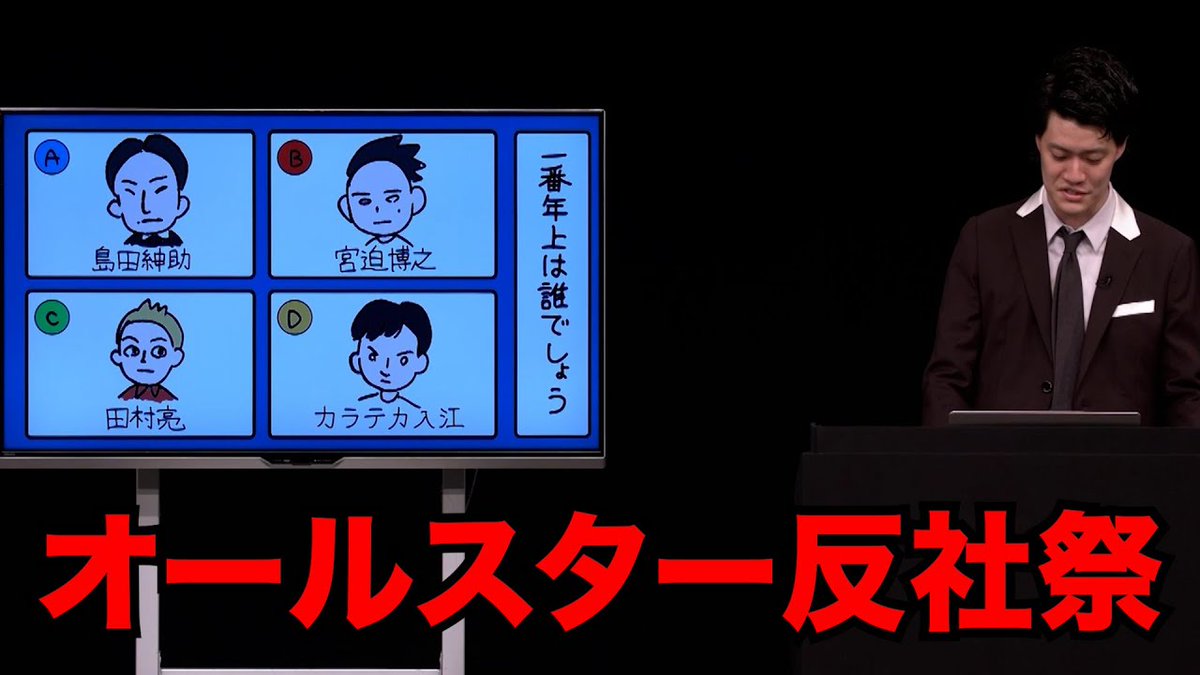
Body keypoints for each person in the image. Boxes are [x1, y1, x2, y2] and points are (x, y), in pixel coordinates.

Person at [922, 46, 1200, 426]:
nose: (1074, 175)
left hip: (1120, 465)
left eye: (1092, 158)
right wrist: (958, 462)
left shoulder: (1169, 255)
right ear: (1038, 141)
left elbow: (1187, 397)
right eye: (1059, 154)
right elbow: (946, 381)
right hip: (999, 463)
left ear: (1120, 147)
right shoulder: (983, 241)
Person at [337, 135, 427, 247]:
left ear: (416, 200)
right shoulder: (361, 250)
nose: (379, 209)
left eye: (392, 198)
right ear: (347, 208)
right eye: (364, 201)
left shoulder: (413, 249)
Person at [105, 134, 191, 247]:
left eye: (160, 189)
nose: (146, 208)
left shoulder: (188, 248)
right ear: (116, 207)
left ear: (181, 203)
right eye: (131, 192)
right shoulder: (120, 249)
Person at [349, 299, 432, 407]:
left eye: (403, 360)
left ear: (420, 363)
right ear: (357, 360)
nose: (386, 369)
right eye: (372, 357)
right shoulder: (358, 406)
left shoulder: (414, 410)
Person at [110, 298, 186, 402]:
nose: (144, 360)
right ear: (117, 356)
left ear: (176, 357)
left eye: (159, 352)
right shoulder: (122, 399)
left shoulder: (171, 401)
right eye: (133, 350)